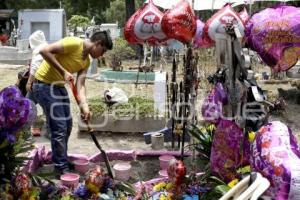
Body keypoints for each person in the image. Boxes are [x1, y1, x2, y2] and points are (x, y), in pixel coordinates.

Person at [32, 31, 113, 175]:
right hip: (43, 85)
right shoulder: (74, 43)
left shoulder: (86, 61)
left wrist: (85, 106)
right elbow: (44, 51)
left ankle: (61, 159)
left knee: (67, 125)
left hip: (58, 86)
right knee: (59, 127)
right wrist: (63, 71)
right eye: (103, 50)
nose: (102, 55)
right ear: (98, 44)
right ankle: (60, 166)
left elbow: (80, 85)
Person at [26, 30, 49, 136]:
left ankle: (25, 130)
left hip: (38, 83)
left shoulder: (39, 50)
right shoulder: (47, 47)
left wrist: (29, 82)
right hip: (48, 82)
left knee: (27, 105)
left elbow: (35, 67)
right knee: (47, 108)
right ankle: (49, 131)